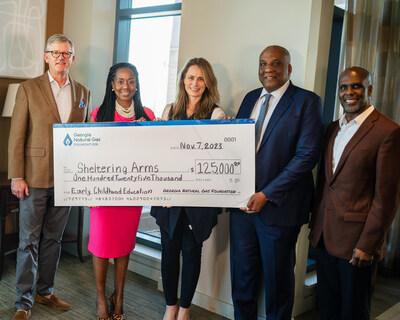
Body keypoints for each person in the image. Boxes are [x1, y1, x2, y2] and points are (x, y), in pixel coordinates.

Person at [230, 45, 323, 320]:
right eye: (263, 64)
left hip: (279, 210)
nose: (268, 69)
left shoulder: (306, 102)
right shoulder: (249, 99)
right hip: (242, 209)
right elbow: (235, 148)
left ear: (288, 68)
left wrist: (267, 194)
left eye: (275, 63)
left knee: (278, 284)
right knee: (242, 281)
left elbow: (307, 156)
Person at [8, 34, 90, 320]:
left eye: (66, 53)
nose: (60, 57)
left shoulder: (83, 93)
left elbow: (83, 137)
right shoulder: (29, 89)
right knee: (28, 241)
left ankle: (45, 291)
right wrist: (17, 175)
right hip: (34, 178)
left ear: (72, 58)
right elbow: (17, 136)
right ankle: (23, 302)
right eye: (55, 53)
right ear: (46, 57)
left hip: (66, 181)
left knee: (53, 240)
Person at [310, 66, 400, 320]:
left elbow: (387, 198)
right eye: (344, 87)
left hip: (356, 244)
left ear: (369, 89)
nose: (349, 92)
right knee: (327, 308)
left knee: (353, 312)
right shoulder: (332, 128)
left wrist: (367, 245)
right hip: (325, 237)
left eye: (356, 86)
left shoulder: (387, 132)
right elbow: (325, 184)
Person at [151, 57, 226, 320]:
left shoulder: (217, 113)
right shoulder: (170, 110)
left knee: (192, 254)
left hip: (197, 200)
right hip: (169, 197)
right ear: (183, 80)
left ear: (208, 83)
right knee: (169, 253)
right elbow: (159, 151)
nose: (195, 83)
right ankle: (170, 305)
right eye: (190, 77)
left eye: (201, 78)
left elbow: (215, 157)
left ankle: (184, 309)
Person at [89, 62, 155, 320]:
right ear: (112, 85)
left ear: (136, 84)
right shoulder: (99, 114)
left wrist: (145, 132)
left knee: (124, 246)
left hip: (132, 193)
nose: (125, 86)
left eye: (130, 81)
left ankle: (120, 296)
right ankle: (100, 298)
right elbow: (91, 154)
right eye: (120, 81)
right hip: (104, 191)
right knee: (102, 245)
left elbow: (154, 154)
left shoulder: (148, 114)